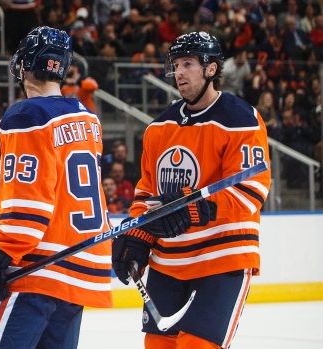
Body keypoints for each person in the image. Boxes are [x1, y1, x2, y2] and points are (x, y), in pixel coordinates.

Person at [0, 26, 114, 348]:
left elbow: (29, 203)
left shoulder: (26, 115)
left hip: (34, 271)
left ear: (22, 65)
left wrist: (1, 252)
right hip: (78, 268)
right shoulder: (87, 117)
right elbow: (50, 179)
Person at [111, 31, 271, 349]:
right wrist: (140, 234)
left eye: (188, 63)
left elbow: (250, 190)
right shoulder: (159, 127)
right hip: (169, 260)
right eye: (176, 65)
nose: (179, 73)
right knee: (157, 346)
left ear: (211, 68)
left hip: (222, 257)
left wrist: (194, 208)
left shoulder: (240, 119)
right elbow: (147, 193)